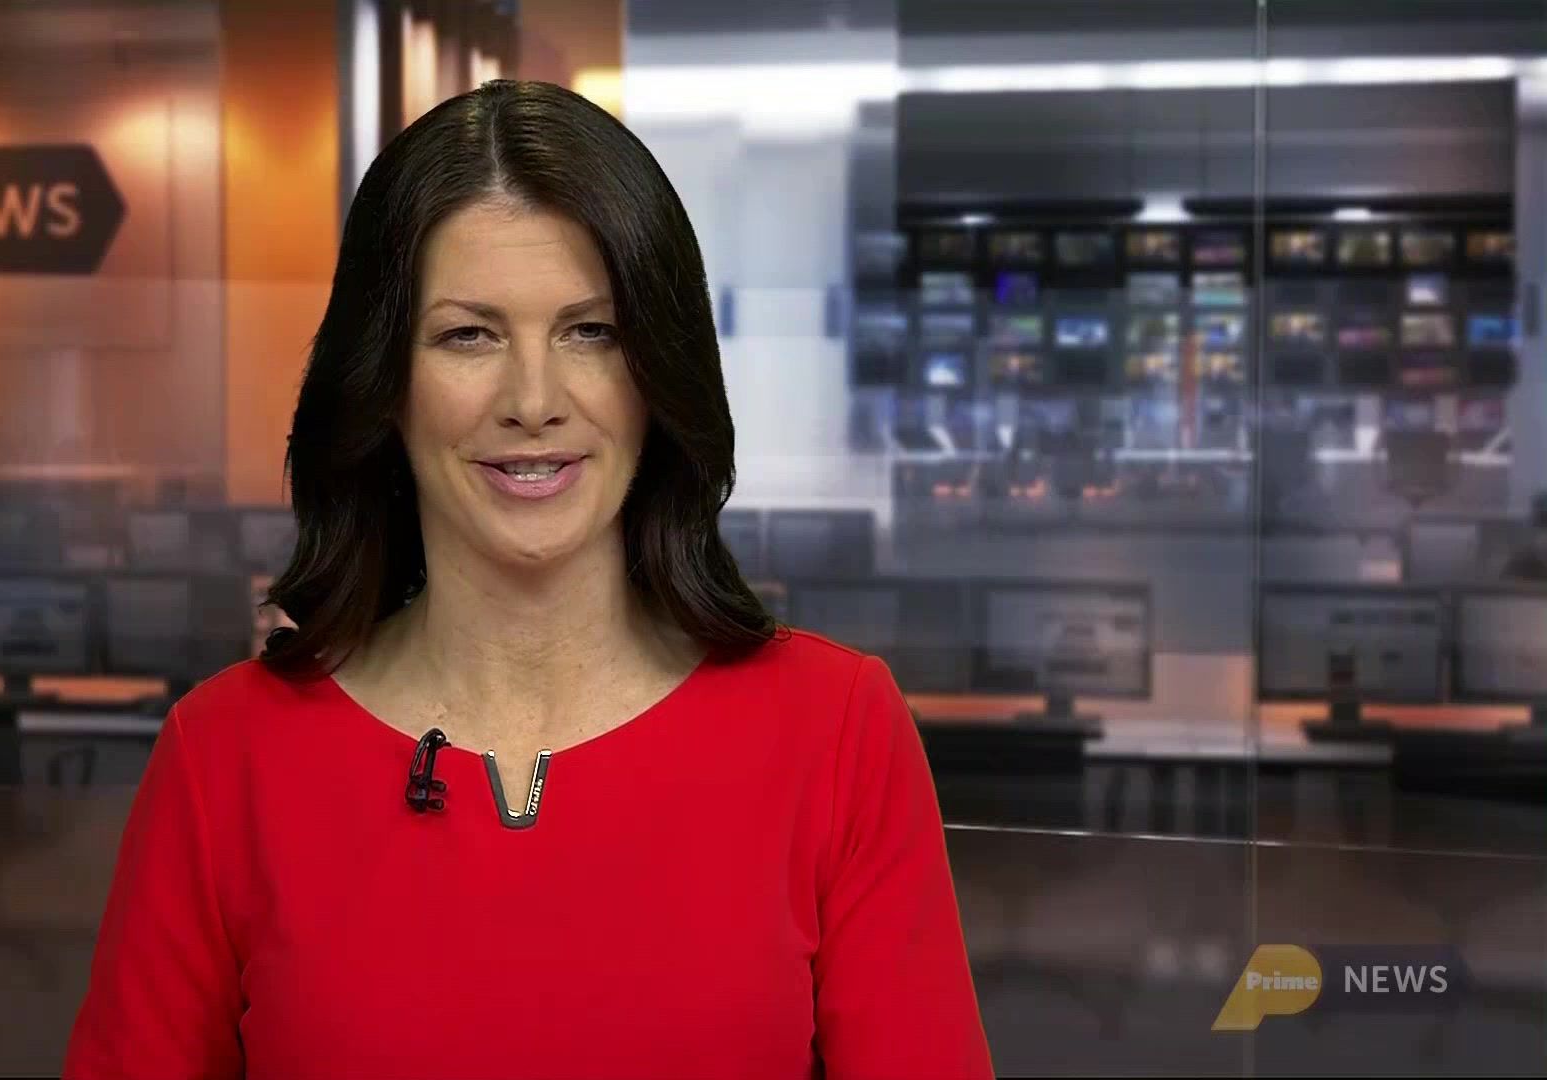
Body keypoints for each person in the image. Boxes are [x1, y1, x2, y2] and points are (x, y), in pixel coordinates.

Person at [64, 80, 991, 1080]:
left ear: (658, 375)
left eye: (592, 332)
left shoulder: (838, 733)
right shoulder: (225, 758)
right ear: (385, 381)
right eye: (469, 335)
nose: (534, 400)